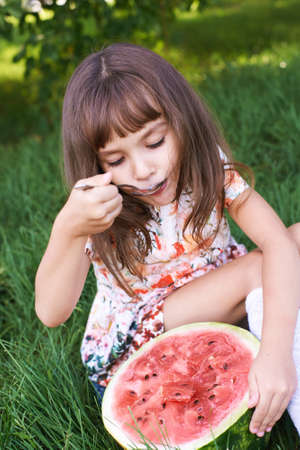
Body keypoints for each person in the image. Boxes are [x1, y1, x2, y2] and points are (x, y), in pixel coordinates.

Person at [35, 42, 300, 438]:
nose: (142, 170)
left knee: (294, 239)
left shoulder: (205, 165)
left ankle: (272, 345)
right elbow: (51, 313)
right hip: (143, 335)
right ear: (95, 162)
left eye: (155, 142)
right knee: (263, 267)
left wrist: (274, 353)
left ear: (182, 121)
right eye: (116, 160)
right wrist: (69, 228)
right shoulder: (103, 208)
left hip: (216, 290)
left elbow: (279, 239)